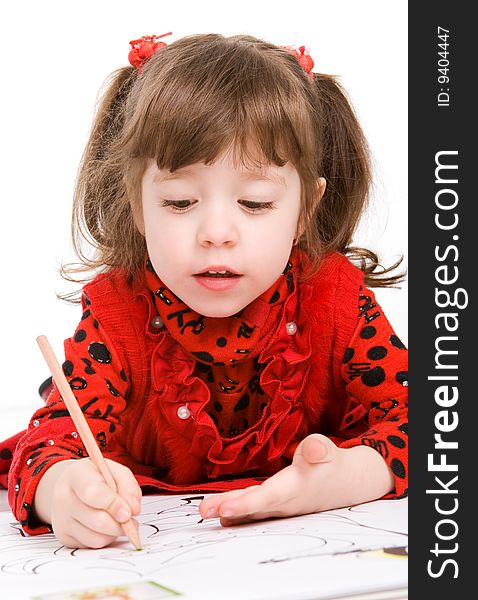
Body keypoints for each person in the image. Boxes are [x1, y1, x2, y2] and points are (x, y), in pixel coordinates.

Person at [0, 32, 408, 549]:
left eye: (255, 203)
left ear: (305, 209)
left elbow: (433, 420)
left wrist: (352, 475)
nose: (217, 232)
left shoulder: (337, 299)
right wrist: (63, 491)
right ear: (137, 203)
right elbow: (47, 443)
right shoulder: (116, 310)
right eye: (179, 201)